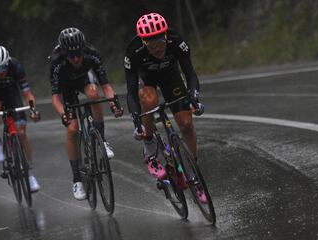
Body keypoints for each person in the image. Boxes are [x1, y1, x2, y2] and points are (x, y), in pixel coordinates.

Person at [124, 13, 206, 202]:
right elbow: (130, 91)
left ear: (166, 36)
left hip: (172, 78)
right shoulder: (133, 51)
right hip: (149, 82)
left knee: (186, 124)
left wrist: (194, 99)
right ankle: (150, 143)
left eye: (160, 41)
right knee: (149, 97)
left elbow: (190, 75)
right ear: (143, 42)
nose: (157, 48)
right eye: (151, 45)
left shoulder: (177, 41)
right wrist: (137, 121)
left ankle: (193, 172)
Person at [49, 27, 123, 200]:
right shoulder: (56, 61)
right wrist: (63, 114)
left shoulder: (92, 54)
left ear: (83, 49)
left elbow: (106, 86)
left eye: (78, 54)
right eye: (71, 55)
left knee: (93, 93)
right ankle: (77, 179)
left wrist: (113, 103)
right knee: (73, 129)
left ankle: (102, 140)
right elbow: (55, 97)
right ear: (64, 53)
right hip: (66, 88)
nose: (75, 58)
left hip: (84, 79)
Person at [0, 45, 41, 192]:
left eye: (3, 66)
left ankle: (30, 175)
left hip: (12, 97)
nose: (0, 71)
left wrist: (33, 109)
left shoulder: (16, 66)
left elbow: (27, 93)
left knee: (22, 132)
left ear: (8, 62)